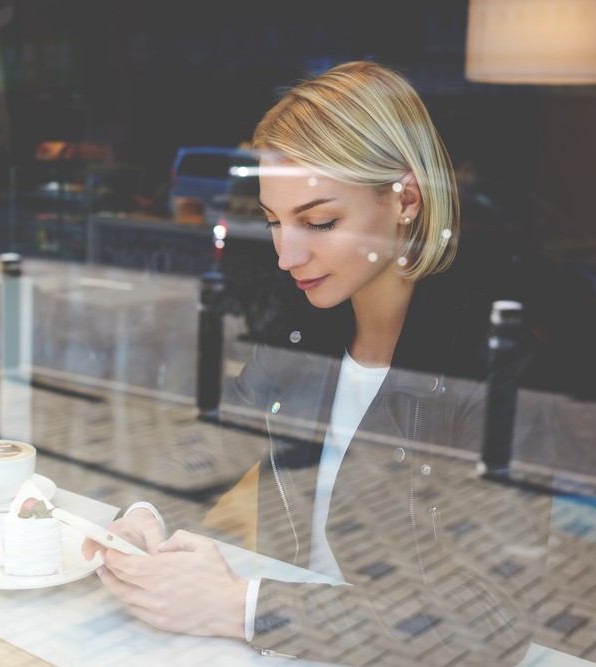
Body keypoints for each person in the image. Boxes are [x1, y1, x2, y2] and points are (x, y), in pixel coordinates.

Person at [83, 61, 553, 665]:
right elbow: (223, 435)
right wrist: (143, 515)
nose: (286, 254)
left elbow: (485, 621)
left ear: (406, 198)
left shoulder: (492, 359)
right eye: (274, 221)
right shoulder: (307, 323)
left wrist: (240, 608)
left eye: (319, 221)